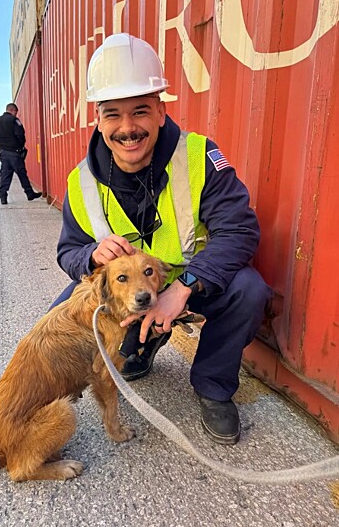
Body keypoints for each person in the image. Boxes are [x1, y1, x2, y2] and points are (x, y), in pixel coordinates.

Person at [51, 33, 272, 445]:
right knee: (61, 311)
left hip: (193, 284)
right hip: (129, 293)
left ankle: (213, 386)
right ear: (98, 119)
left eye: (140, 111)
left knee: (249, 288)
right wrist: (90, 254)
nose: (128, 128)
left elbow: (240, 230)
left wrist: (183, 287)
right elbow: (68, 251)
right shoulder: (80, 183)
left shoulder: (199, 157)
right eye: (113, 114)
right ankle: (138, 346)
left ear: (160, 111)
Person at [0, 103, 42, 205]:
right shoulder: (14, 120)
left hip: (3, 152)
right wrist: (19, 147)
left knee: (5, 174)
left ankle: (3, 197)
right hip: (14, 152)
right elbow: (21, 135)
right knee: (22, 173)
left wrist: (2, 146)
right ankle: (29, 193)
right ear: (13, 110)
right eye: (16, 112)